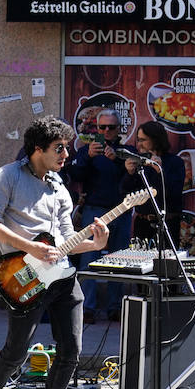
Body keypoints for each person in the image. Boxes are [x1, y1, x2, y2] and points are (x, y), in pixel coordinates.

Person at [0, 116, 108, 389]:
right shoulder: (7, 176)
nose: (66, 154)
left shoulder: (60, 186)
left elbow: (65, 239)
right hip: (24, 276)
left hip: (63, 279)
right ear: (37, 149)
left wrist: (94, 243)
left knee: (71, 350)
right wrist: (29, 245)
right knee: (16, 352)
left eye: (67, 148)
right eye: (59, 148)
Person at [66, 109, 131, 322]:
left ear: (118, 129)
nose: (106, 131)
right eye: (101, 127)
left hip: (120, 210)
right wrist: (88, 158)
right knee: (89, 260)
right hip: (94, 210)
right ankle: (87, 308)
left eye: (111, 127)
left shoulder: (126, 151)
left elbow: (131, 180)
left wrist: (117, 161)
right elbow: (74, 175)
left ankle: (115, 307)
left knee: (118, 261)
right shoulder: (87, 151)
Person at [121, 121, 186, 247]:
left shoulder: (175, 162)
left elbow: (175, 193)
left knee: (166, 264)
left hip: (167, 224)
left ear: (156, 140)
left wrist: (160, 171)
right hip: (143, 223)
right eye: (138, 140)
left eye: (143, 140)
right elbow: (124, 192)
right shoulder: (139, 161)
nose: (139, 144)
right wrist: (129, 173)